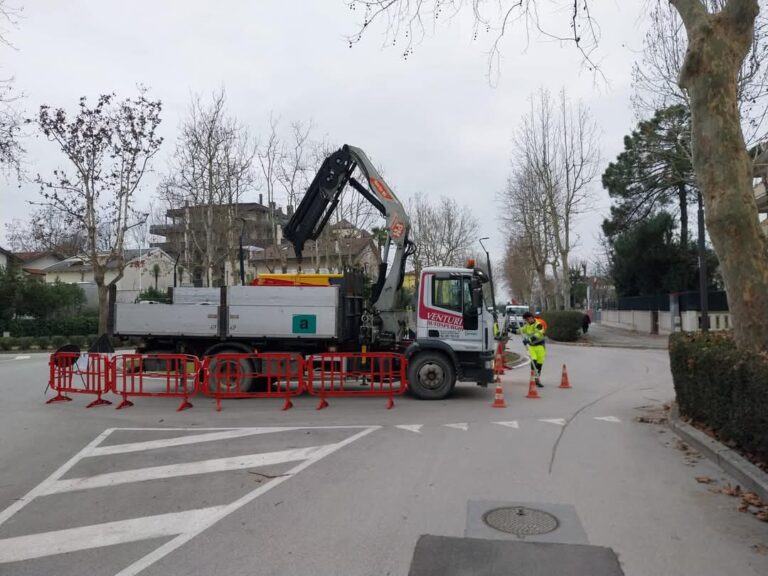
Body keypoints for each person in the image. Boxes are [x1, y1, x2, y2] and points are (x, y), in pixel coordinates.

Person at [519, 311, 546, 387]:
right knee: (534, 361)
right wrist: (510, 329)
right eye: (525, 320)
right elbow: (520, 330)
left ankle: (537, 379)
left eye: (527, 319)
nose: (527, 321)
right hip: (531, 347)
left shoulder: (538, 325)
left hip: (540, 346)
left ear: (531, 317)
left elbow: (538, 334)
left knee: (539, 363)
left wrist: (529, 340)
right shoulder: (527, 326)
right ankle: (533, 378)